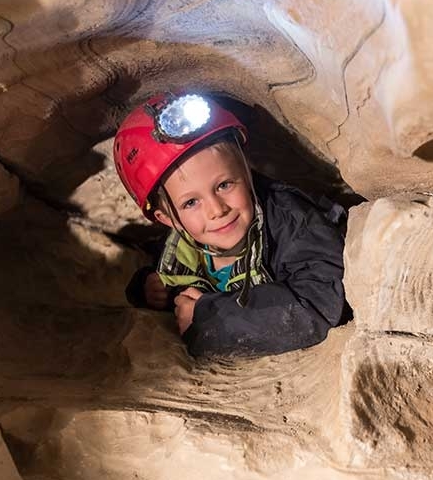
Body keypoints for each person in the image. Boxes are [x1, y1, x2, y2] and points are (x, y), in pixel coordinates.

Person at [114, 92, 348, 357]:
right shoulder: (183, 245)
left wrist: (208, 318)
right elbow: (164, 266)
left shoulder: (293, 222)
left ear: (246, 172)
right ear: (167, 220)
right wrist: (149, 288)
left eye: (224, 185)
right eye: (191, 202)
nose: (217, 210)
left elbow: (319, 303)